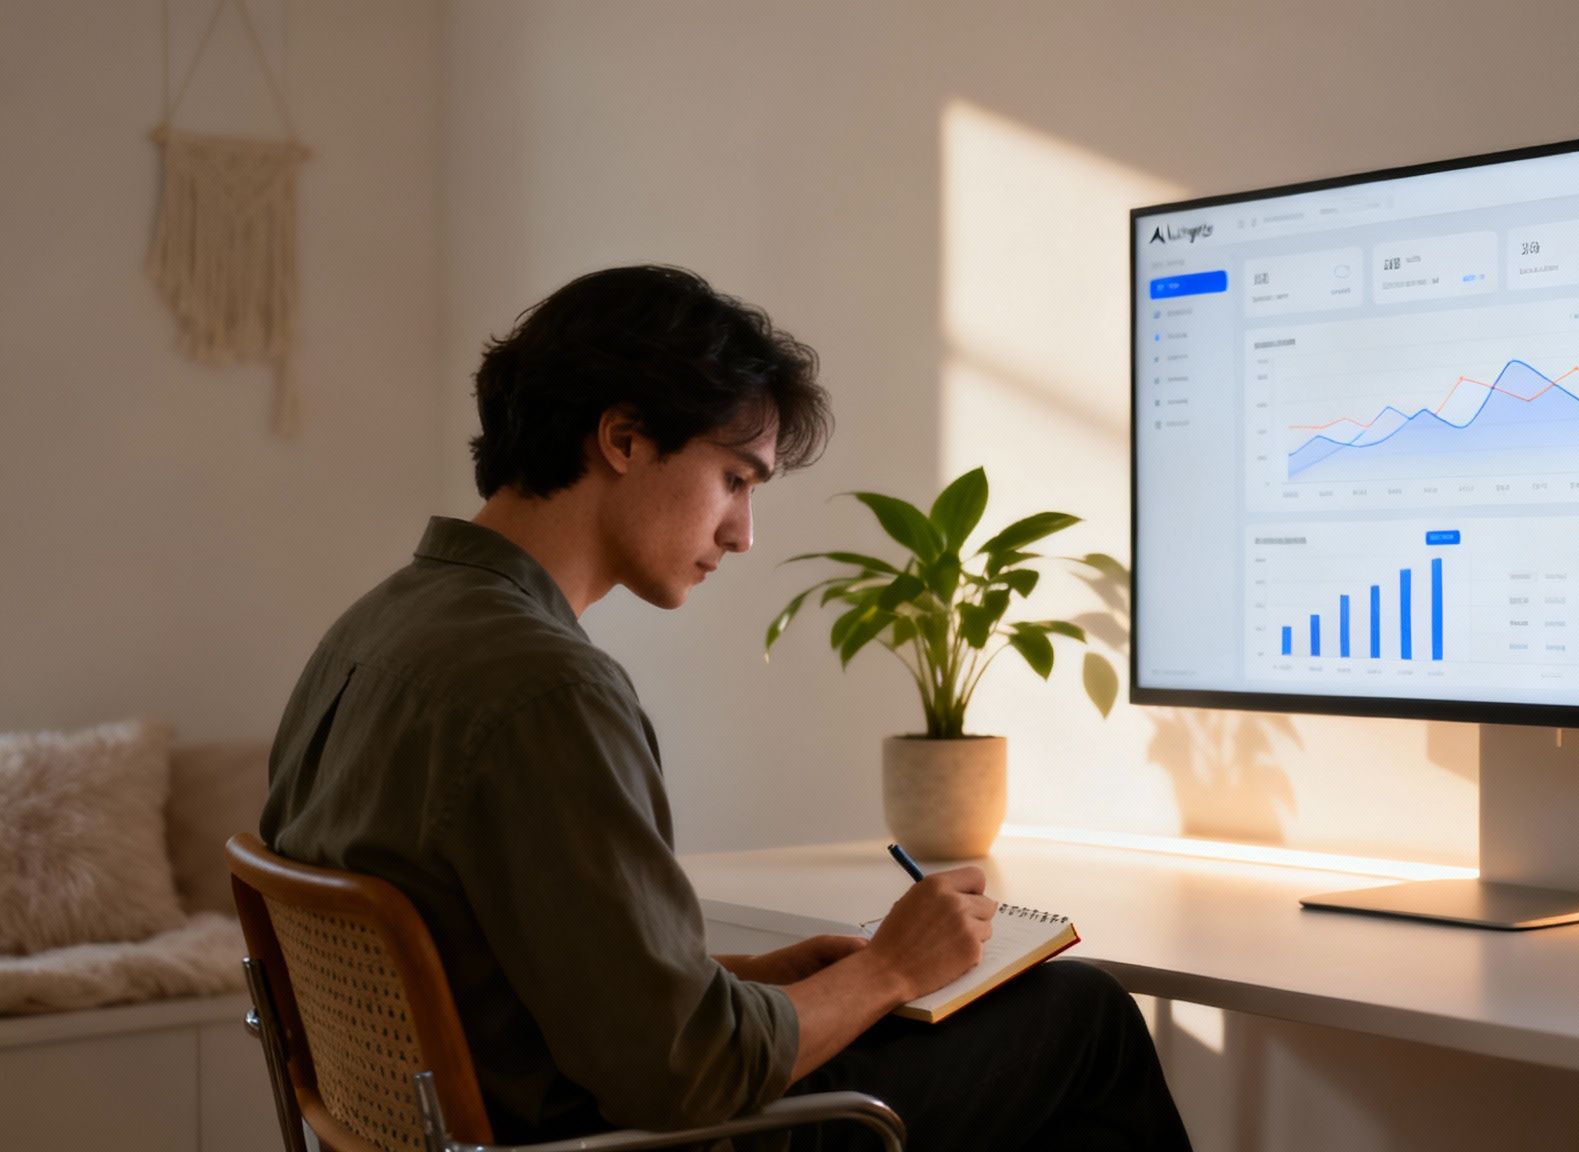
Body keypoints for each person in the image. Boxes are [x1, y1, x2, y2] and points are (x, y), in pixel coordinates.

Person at [260, 265, 1191, 1152]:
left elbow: (513, 976)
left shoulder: (370, 632)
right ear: (623, 440)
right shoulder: (546, 689)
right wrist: (889, 970)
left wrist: (742, 981)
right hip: (617, 1143)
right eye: (737, 479)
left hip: (477, 1126)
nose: (743, 534)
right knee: (1083, 1019)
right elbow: (686, 1075)